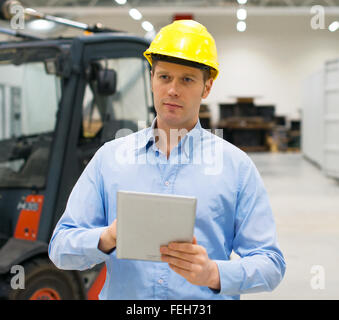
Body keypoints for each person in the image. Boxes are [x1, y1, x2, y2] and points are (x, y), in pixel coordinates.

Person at [48, 20, 286, 300]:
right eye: (164, 77)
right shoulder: (109, 159)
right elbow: (60, 249)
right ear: (152, 80)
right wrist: (108, 237)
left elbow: (271, 263)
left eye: (187, 79)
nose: (173, 89)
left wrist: (214, 273)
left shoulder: (236, 167)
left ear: (207, 87)